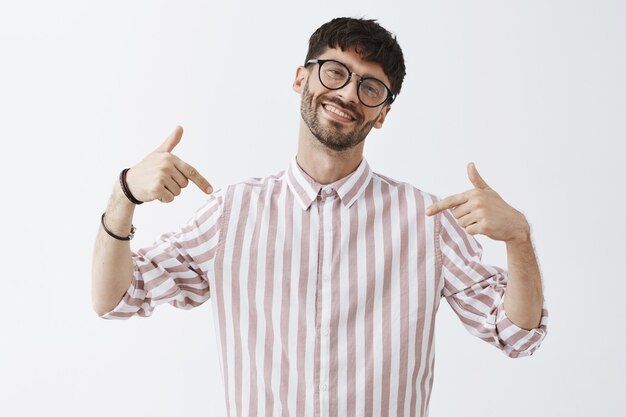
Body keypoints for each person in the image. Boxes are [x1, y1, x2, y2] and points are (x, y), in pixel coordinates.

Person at [92, 17, 548, 417]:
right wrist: (124, 194)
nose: (348, 93)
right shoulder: (231, 215)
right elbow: (114, 299)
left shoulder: (427, 221)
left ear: (383, 113)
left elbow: (516, 335)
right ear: (301, 78)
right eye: (335, 72)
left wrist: (518, 239)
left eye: (369, 87)